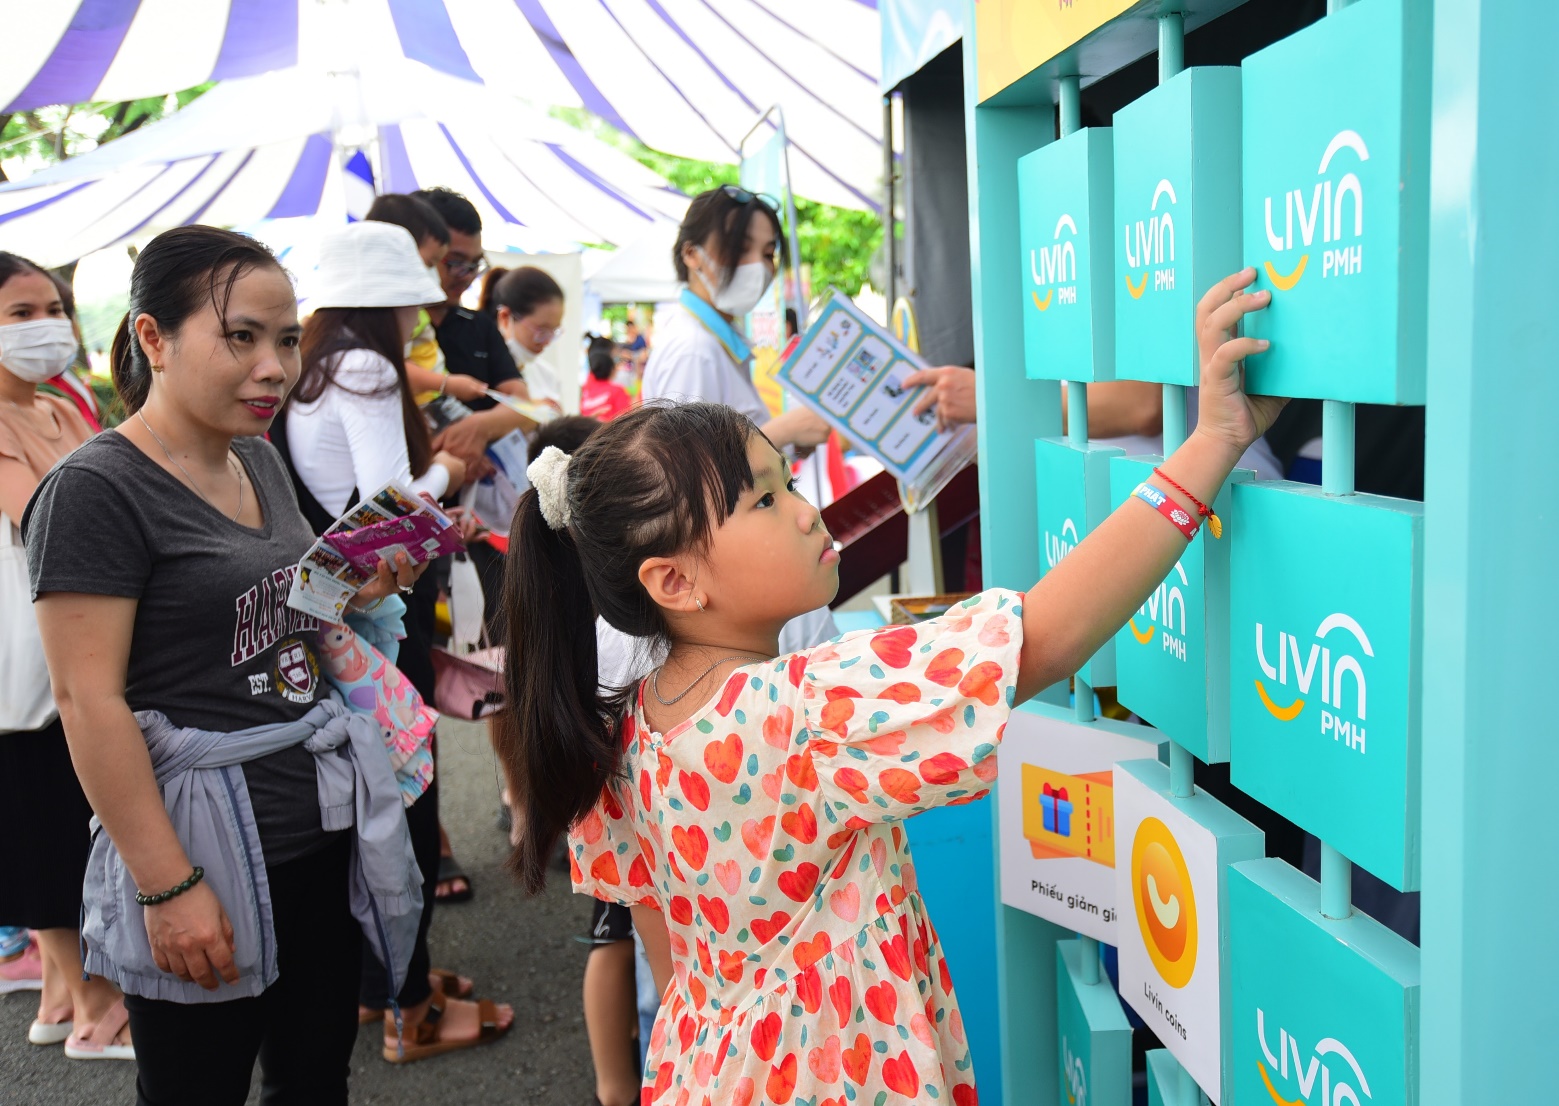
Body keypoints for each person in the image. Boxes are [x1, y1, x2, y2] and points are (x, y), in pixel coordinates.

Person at [498, 269, 1284, 1103]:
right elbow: (1043, 636)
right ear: (676, 583)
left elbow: (665, 949)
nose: (805, 510)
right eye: (764, 501)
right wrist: (1209, 442)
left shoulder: (632, 729)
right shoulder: (802, 707)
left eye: (789, 484)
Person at [23, 225, 426, 1104]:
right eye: (240, 336)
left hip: (314, 828)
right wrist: (168, 885)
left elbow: (277, 612)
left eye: (286, 339)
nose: (275, 366)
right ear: (152, 338)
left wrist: (355, 588)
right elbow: (87, 701)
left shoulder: (256, 456)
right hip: (200, 845)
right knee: (196, 1087)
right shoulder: (96, 489)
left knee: (314, 1077)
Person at [273, 221, 514, 1061]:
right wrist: (456, 464)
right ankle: (407, 1005)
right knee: (403, 797)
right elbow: (391, 502)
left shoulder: (315, 364)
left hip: (338, 616)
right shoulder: (367, 366)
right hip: (376, 616)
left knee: (371, 801)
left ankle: (386, 985)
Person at [0, 251, 128, 1059]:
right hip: (21, 666)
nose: (47, 324)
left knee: (64, 816)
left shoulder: (59, 404)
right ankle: (92, 1006)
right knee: (43, 823)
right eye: (21, 313)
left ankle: (59, 995)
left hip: (69, 645)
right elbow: (45, 514)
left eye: (54, 306)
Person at [642, 186, 831, 455]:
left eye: (767, 254)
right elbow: (686, 469)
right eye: (740, 249)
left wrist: (788, 444)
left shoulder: (713, 340)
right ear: (691, 254)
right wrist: (782, 432)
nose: (757, 267)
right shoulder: (694, 350)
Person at [364, 193, 488, 406]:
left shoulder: (417, 315)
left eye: (474, 266)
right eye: (431, 263)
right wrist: (446, 384)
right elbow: (394, 367)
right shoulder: (379, 324)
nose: (434, 279)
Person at [490, 265, 566, 409]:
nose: (547, 341)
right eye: (541, 330)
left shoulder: (547, 375)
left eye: (554, 331)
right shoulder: (481, 372)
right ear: (505, 318)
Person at [581, 345, 633, 422]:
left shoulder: (586, 390)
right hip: (611, 432)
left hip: (587, 431)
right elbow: (627, 420)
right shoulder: (618, 391)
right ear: (612, 369)